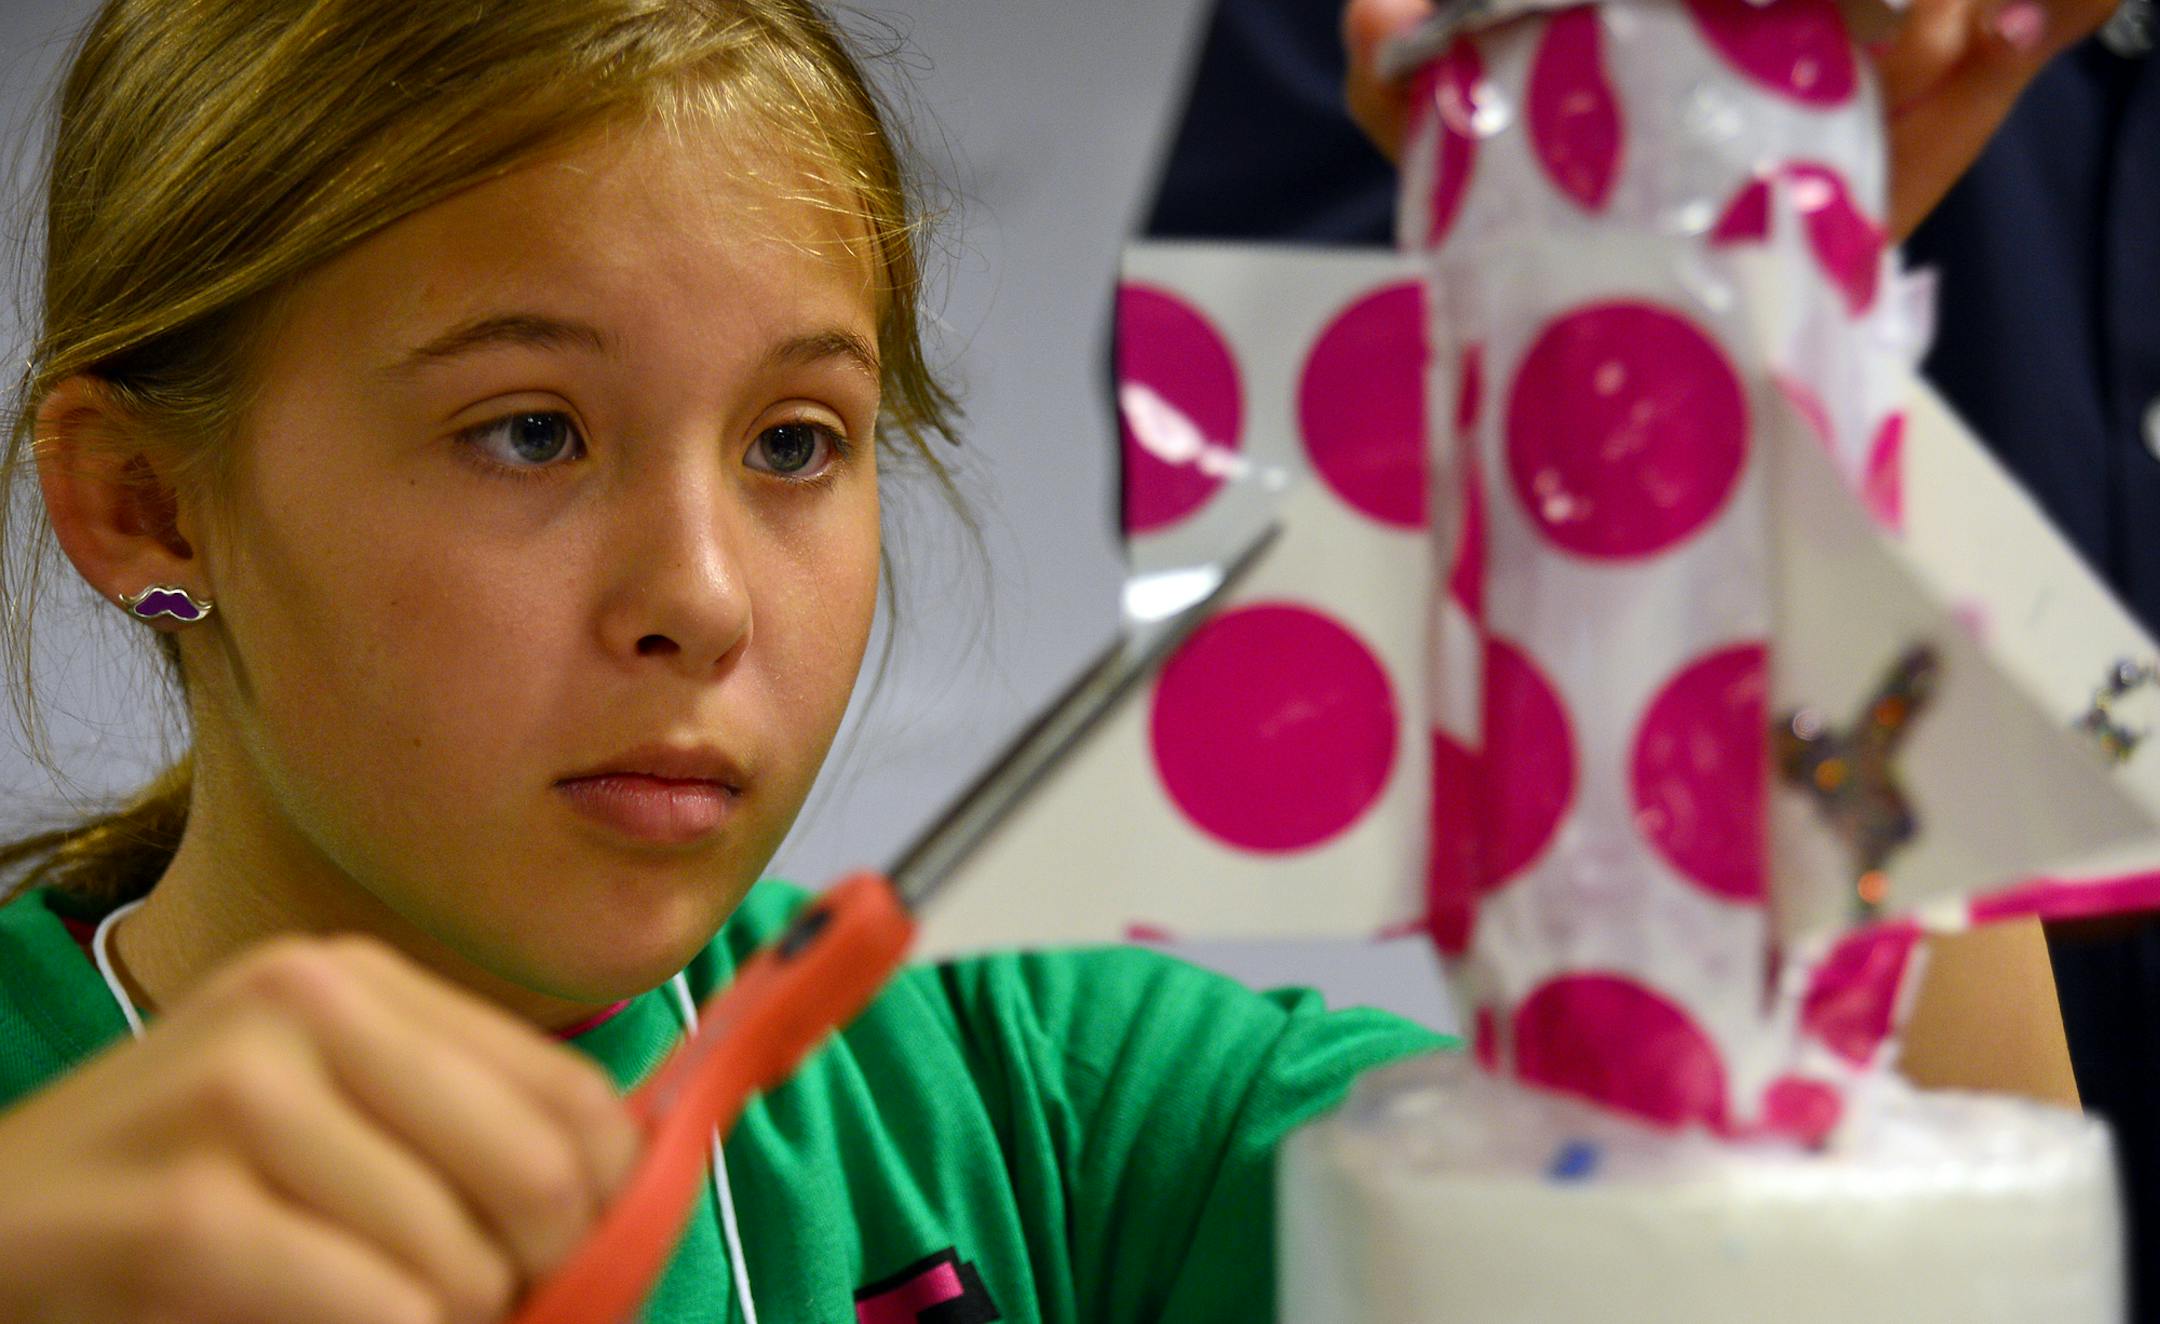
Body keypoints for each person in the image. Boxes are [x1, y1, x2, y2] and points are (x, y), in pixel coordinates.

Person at [0, 3, 2103, 1323]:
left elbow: (1885, 1235)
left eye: (800, 443)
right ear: (145, 506)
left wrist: (1753, 397)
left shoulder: (1051, 1121)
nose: (707, 593)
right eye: (530, 429)